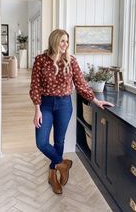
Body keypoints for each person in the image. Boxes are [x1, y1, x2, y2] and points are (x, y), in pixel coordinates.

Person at [29, 29, 114, 194]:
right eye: (62, 41)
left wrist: (95, 100)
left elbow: (81, 84)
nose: (65, 45)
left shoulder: (71, 61)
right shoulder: (40, 60)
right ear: (54, 41)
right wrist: (37, 109)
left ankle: (52, 175)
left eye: (67, 41)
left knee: (59, 141)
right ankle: (63, 164)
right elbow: (35, 86)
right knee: (42, 142)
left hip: (64, 105)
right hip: (45, 104)